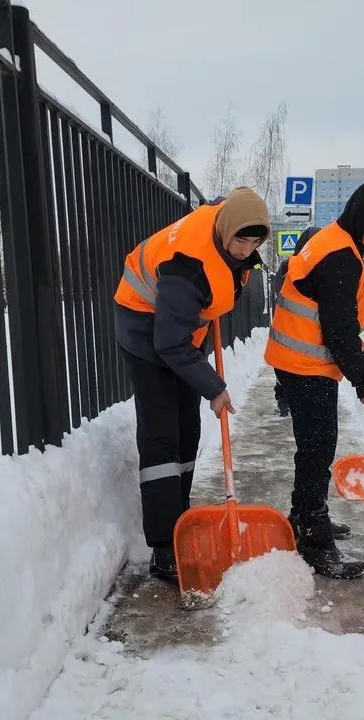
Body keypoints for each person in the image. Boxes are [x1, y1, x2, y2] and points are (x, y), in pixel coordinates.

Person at [113, 186, 270, 582]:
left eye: (254, 242)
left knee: (188, 426)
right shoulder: (188, 266)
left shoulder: (227, 230)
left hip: (179, 330)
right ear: (226, 231)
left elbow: (227, 203)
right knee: (163, 435)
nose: (245, 249)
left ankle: (180, 513)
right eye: (241, 240)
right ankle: (164, 546)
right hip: (145, 329)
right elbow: (167, 343)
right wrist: (215, 387)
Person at [264, 180, 364, 579]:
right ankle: (313, 536)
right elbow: (339, 333)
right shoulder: (338, 254)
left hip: (299, 362)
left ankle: (305, 516)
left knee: (315, 448)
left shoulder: (336, 241)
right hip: (304, 366)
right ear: (363, 218)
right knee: (317, 450)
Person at [271, 226, 321, 418]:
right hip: (292, 333)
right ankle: (285, 404)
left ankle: (286, 403)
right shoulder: (290, 267)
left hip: (292, 335)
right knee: (287, 374)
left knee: (287, 374)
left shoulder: (288, 267)